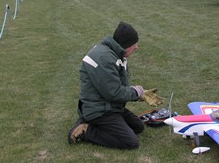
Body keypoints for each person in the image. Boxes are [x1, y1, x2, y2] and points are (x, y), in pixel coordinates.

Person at [68, 21, 160, 149]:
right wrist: (136, 92)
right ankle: (86, 130)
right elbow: (114, 93)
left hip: (110, 106)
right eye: (133, 44)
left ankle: (87, 120)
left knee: (138, 127)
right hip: (99, 110)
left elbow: (116, 86)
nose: (136, 47)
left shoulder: (115, 53)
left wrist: (140, 94)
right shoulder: (104, 58)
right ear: (125, 44)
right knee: (130, 142)